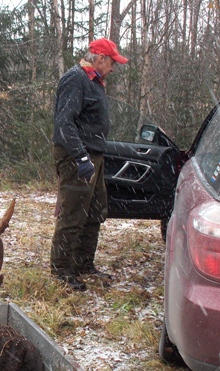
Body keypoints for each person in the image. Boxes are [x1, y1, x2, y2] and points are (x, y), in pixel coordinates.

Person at [50, 37, 128, 291]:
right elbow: (64, 123)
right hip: (77, 156)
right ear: (101, 58)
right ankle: (61, 271)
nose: (114, 68)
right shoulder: (76, 79)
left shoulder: (94, 81)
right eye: (112, 62)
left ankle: (83, 265)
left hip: (93, 154)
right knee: (73, 214)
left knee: (94, 212)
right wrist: (80, 157)